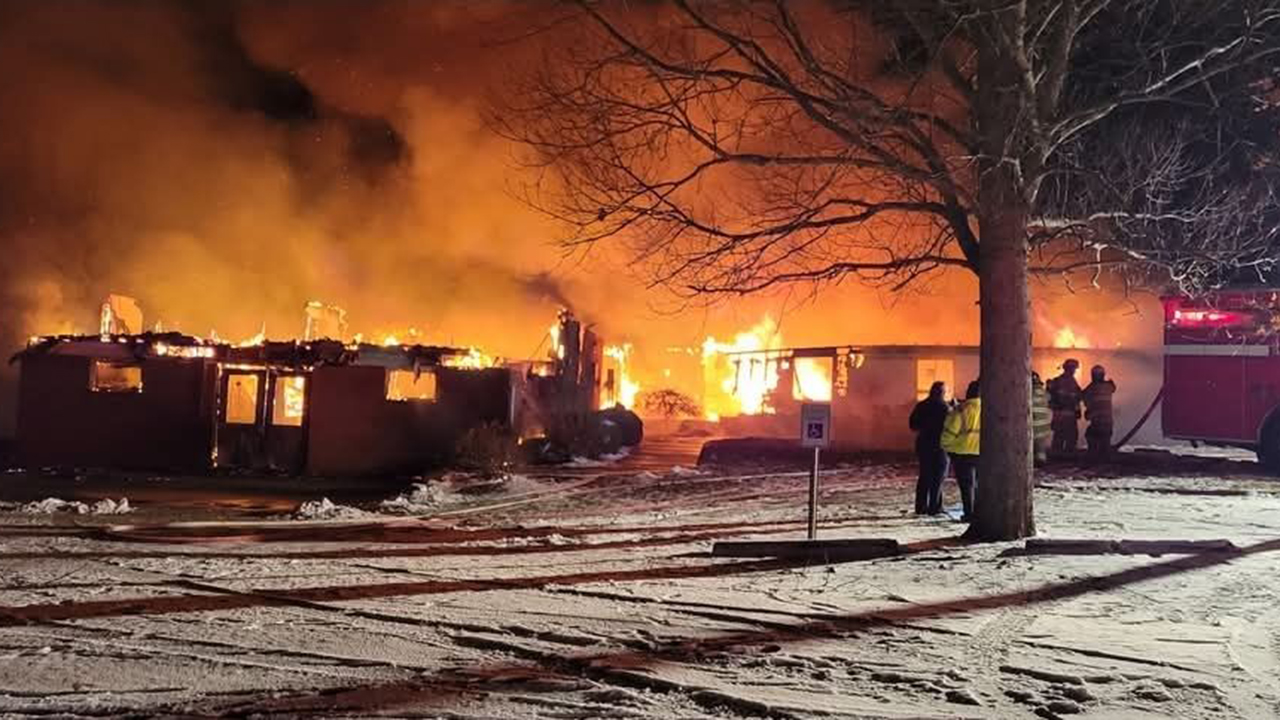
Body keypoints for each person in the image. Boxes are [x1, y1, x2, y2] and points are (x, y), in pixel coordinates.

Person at [941, 380, 981, 522]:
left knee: (966, 486)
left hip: (962, 454)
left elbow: (948, 435)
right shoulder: (990, 409)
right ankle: (980, 513)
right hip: (982, 454)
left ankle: (969, 513)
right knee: (979, 485)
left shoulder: (960, 410)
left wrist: (948, 448)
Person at [909, 381, 950, 515]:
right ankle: (935, 506)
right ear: (942, 392)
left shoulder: (921, 405)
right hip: (940, 445)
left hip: (924, 444)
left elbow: (912, 425)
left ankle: (920, 507)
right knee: (938, 476)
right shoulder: (945, 408)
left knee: (925, 475)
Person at [1047, 359, 1082, 454]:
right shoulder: (1071, 382)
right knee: (1070, 439)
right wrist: (1078, 411)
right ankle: (1066, 458)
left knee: (1059, 439)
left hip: (1060, 416)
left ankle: (1058, 458)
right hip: (1068, 416)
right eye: (1074, 369)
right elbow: (1077, 398)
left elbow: (1076, 398)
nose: (1074, 371)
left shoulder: (1058, 381)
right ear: (1070, 369)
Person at [1082, 365, 1117, 459]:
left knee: (1091, 437)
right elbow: (1113, 388)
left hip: (1097, 421)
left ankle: (1094, 457)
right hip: (1108, 421)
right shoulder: (1108, 386)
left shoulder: (1092, 387)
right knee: (1105, 441)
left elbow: (1082, 395)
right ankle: (1105, 457)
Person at [1031, 372, 1052, 466]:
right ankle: (1041, 462)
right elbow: (1049, 399)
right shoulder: (1044, 393)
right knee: (1040, 449)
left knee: (1031, 449)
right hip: (1043, 428)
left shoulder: (1027, 393)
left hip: (1033, 427)